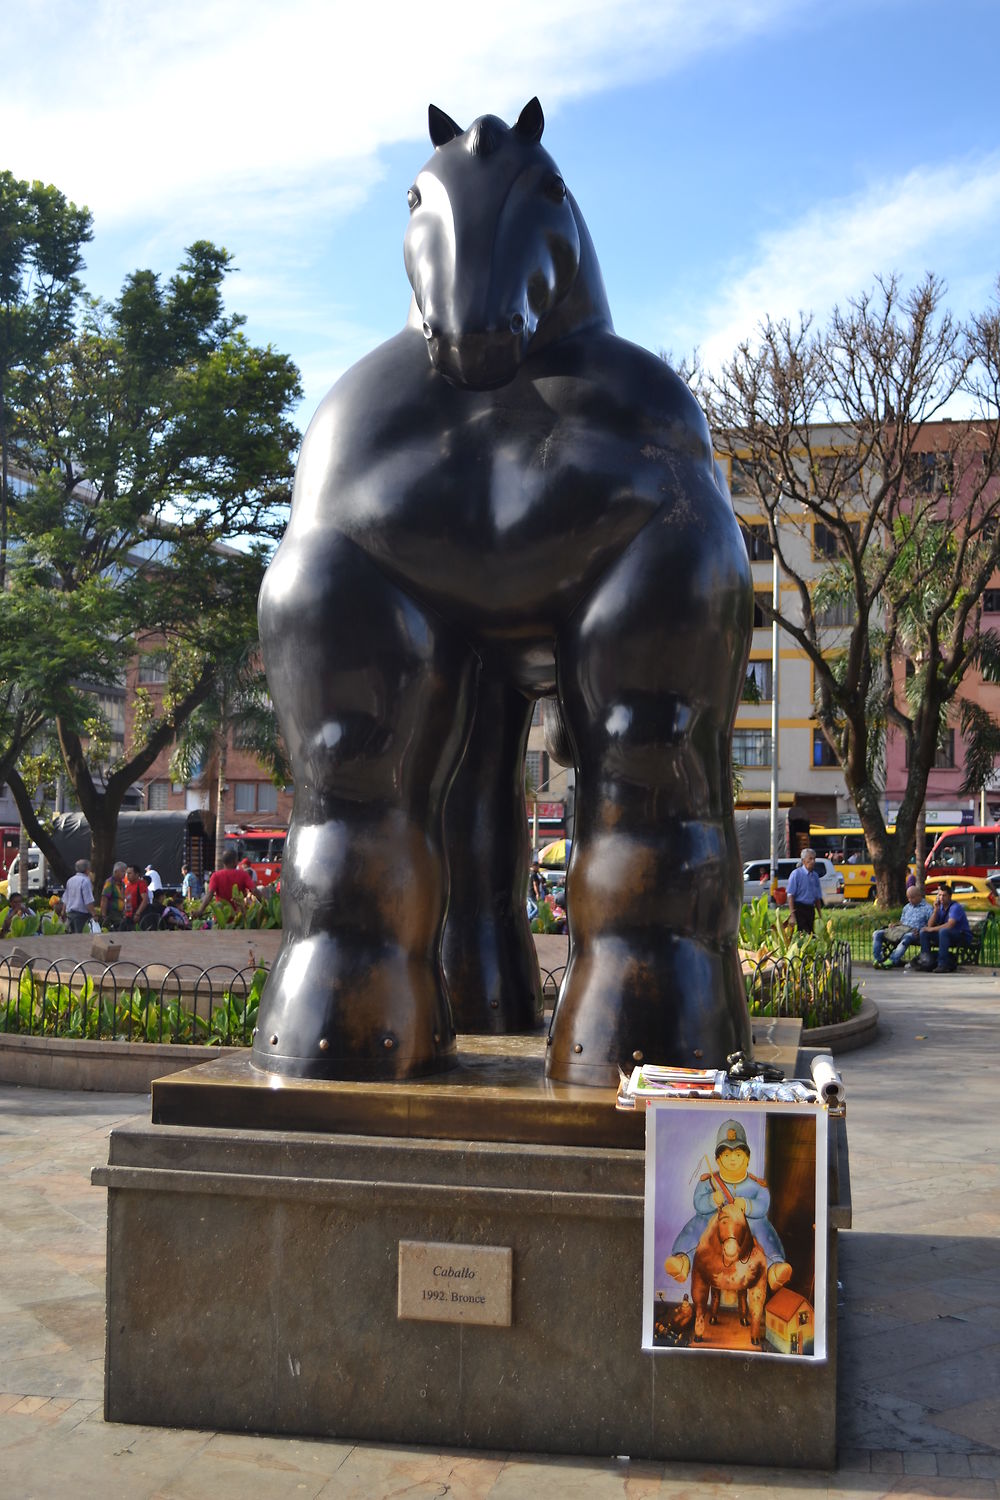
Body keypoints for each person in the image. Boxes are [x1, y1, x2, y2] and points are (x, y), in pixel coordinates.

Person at [664, 1118, 792, 1294]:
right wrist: (711, 1200)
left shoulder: (756, 1186)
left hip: (747, 1221)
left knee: (763, 1229)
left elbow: (763, 1204)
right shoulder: (708, 1182)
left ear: (747, 1159)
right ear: (717, 1160)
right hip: (716, 1218)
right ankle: (682, 1259)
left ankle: (774, 1266)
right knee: (696, 1226)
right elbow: (698, 1203)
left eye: (738, 1154)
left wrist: (747, 1205)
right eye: (726, 1155)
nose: (733, 1159)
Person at [911, 883, 974, 972]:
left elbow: (950, 925)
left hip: (961, 935)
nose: (941, 898)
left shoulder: (955, 907)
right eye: (939, 895)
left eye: (944, 895)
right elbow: (929, 925)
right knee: (924, 932)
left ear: (950, 896)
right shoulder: (940, 908)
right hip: (946, 935)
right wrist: (936, 911)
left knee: (943, 931)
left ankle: (942, 964)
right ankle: (926, 962)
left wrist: (932, 929)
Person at [873, 885, 933, 968]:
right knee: (877, 933)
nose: (910, 900)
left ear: (919, 896)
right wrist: (895, 924)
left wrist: (920, 930)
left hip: (914, 932)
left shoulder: (928, 908)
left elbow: (930, 924)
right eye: (908, 898)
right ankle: (878, 959)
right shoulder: (907, 907)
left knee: (907, 938)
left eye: (912, 898)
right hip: (901, 929)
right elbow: (902, 921)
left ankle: (892, 960)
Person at [194, 849, 257, 917]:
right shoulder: (243, 875)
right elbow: (254, 890)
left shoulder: (216, 876)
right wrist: (265, 904)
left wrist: (200, 910)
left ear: (223, 862)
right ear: (235, 861)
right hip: (239, 918)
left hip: (222, 918)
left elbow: (210, 895)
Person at [786, 848, 824, 934]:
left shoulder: (815, 876)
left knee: (811, 933)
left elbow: (817, 896)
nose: (813, 861)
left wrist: (820, 914)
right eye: (810, 859)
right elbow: (790, 895)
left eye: (814, 859)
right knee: (802, 933)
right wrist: (792, 915)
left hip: (810, 908)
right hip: (799, 908)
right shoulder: (796, 874)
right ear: (803, 861)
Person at [63, 859, 99, 933]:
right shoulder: (85, 881)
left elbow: (66, 898)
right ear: (87, 870)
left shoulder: (70, 880)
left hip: (70, 915)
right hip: (81, 916)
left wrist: (63, 911)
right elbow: (88, 901)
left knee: (72, 938)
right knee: (81, 939)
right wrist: (94, 914)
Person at [100, 862, 127, 928]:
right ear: (116, 872)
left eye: (125, 872)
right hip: (112, 913)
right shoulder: (109, 882)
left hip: (120, 913)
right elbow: (104, 898)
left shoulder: (122, 883)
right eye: (123, 871)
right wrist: (103, 915)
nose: (124, 874)